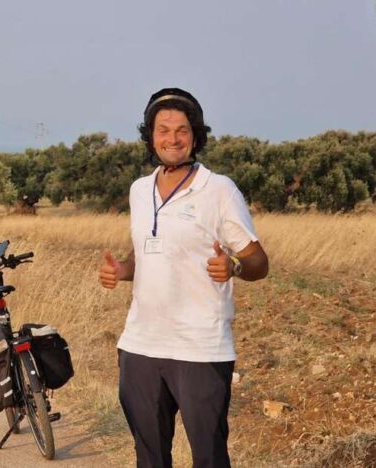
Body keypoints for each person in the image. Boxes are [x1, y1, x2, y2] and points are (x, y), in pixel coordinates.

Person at [98, 88, 269, 468]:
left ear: (195, 136)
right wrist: (123, 270)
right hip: (141, 345)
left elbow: (258, 261)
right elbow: (146, 251)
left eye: (182, 130)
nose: (172, 138)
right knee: (149, 458)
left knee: (209, 458)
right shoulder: (140, 190)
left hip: (200, 348)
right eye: (163, 130)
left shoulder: (218, 189)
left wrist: (234, 267)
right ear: (150, 136)